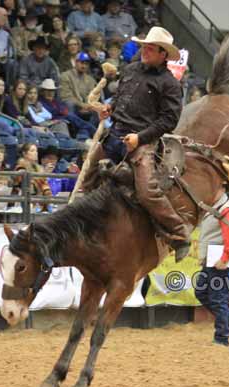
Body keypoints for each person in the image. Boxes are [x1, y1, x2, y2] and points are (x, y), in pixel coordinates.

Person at [81, 26, 190, 261]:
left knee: (147, 191)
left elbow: (169, 120)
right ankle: (81, 222)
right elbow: (121, 97)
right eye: (144, 47)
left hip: (142, 141)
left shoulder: (170, 84)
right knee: (88, 177)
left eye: (150, 48)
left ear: (163, 54)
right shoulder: (130, 70)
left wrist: (140, 138)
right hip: (115, 134)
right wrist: (110, 108)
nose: (145, 51)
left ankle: (179, 233)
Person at [195, 185, 229, 346]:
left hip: (219, 261)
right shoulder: (217, 208)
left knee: (217, 299)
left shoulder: (226, 210)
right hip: (213, 259)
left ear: (221, 191)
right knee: (202, 293)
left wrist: (224, 259)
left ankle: (222, 337)